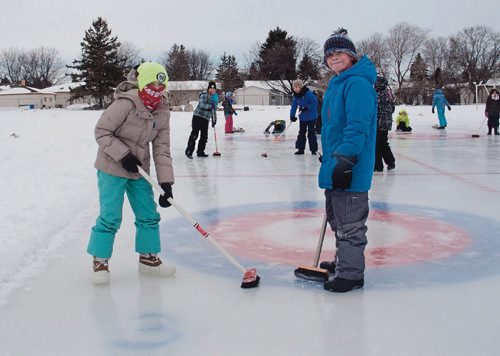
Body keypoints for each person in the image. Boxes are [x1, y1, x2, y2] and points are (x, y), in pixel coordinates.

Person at [87, 62, 176, 285]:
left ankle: (148, 259)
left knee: (148, 214)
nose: (157, 90)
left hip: (139, 169)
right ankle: (100, 261)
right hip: (111, 166)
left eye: (161, 85)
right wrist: (123, 155)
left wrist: (166, 184)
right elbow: (101, 132)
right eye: (152, 84)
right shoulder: (125, 103)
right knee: (111, 216)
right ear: (142, 83)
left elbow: (162, 149)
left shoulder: (163, 111)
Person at [318, 28, 377, 293]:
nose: (334, 59)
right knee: (337, 218)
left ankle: (351, 274)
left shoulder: (357, 84)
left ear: (351, 55)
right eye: (329, 56)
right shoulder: (337, 83)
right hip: (335, 162)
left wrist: (347, 159)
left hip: (349, 164)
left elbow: (357, 126)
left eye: (339, 53)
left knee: (350, 222)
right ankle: (344, 261)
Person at [185, 81, 218, 158]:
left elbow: (214, 110)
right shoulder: (204, 95)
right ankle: (189, 151)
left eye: (214, 89)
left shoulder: (215, 98)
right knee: (195, 134)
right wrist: (211, 106)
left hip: (206, 118)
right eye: (211, 88)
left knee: (204, 136)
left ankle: (200, 151)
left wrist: (214, 119)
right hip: (198, 117)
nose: (212, 90)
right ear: (208, 88)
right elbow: (202, 105)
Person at [290, 79, 319, 155]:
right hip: (302, 117)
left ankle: (313, 150)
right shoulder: (296, 95)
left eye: (297, 87)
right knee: (301, 133)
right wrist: (292, 116)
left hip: (311, 116)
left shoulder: (308, 93)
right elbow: (294, 106)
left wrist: (307, 107)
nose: (295, 89)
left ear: (301, 87)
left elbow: (315, 103)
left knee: (311, 133)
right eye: (294, 88)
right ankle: (300, 149)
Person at [374, 76, 396, 172]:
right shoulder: (388, 93)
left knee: (377, 144)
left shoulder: (378, 94)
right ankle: (390, 161)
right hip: (385, 123)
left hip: (379, 123)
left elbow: (374, 109)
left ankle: (378, 166)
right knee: (383, 143)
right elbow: (393, 108)